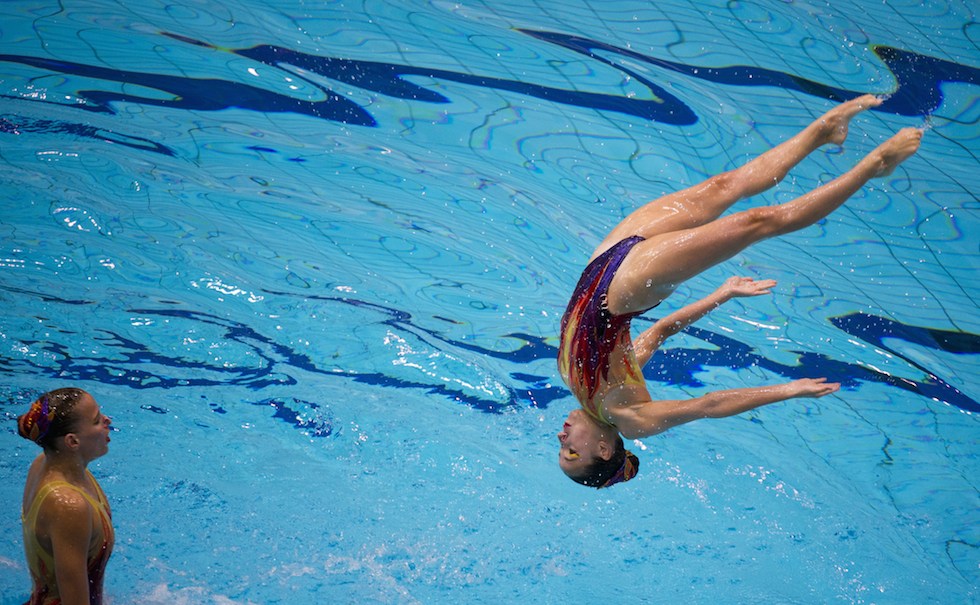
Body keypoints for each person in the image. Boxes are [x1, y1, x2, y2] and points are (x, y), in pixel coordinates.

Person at [556, 94, 923, 488]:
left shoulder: (583, 391)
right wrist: (788, 389)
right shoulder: (631, 418)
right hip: (623, 288)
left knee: (724, 185)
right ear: (605, 450)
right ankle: (873, 167)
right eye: (572, 452)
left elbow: (659, 331)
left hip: (602, 263)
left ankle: (824, 131)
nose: (562, 437)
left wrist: (722, 294)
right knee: (757, 222)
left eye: (561, 448)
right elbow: (708, 405)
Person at [17, 388, 114, 605]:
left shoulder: (46, 464)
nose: (107, 420)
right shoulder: (68, 506)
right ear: (72, 442)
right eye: (96, 420)